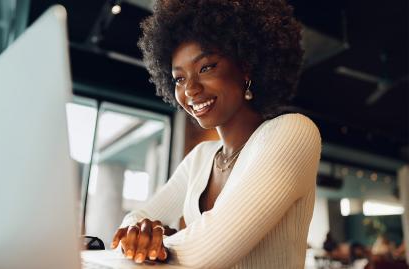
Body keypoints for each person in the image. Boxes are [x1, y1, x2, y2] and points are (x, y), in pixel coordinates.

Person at [110, 0, 322, 268]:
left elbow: (206, 251)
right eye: (179, 78)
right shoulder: (200, 158)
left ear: (245, 67)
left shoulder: (292, 132)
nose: (190, 89)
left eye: (206, 67)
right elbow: (134, 220)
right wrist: (138, 233)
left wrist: (156, 242)